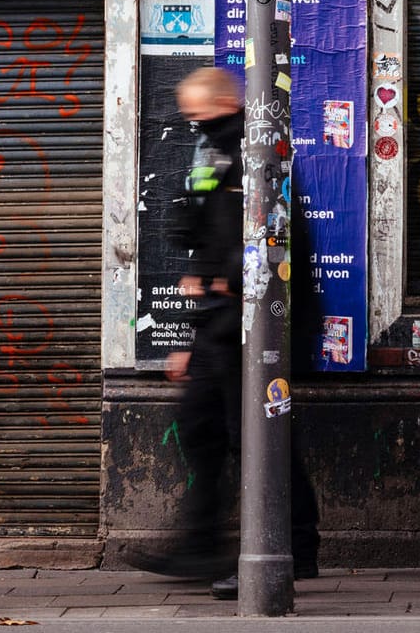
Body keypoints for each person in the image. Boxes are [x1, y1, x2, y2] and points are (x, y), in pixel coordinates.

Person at [124, 66, 320, 596]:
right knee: (200, 430)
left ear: (224, 102)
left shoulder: (255, 152)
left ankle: (290, 550)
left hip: (255, 318)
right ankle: (199, 547)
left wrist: (224, 279)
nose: (191, 121)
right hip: (219, 320)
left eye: (197, 110)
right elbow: (208, 227)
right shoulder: (212, 151)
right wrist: (193, 332)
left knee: (256, 436)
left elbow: (270, 231)